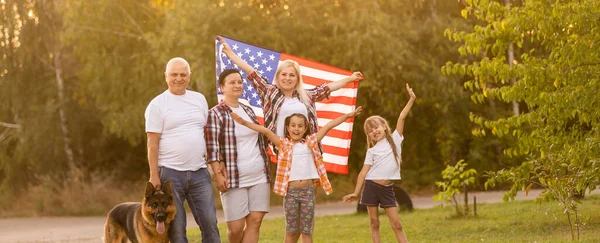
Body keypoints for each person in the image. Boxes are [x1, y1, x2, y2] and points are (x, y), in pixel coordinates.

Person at [231, 107, 363, 243]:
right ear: (287, 128)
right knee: (291, 230)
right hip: (291, 193)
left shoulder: (311, 142)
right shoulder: (283, 144)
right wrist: (244, 123)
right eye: (293, 125)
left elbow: (329, 125)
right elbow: (265, 131)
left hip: (308, 192)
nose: (296, 129)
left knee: (306, 230)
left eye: (300, 126)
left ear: (305, 128)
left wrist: (348, 115)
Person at [218, 36, 363, 138]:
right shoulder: (270, 92)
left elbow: (329, 88)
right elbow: (250, 70)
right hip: (280, 151)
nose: (287, 78)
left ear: (297, 79)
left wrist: (350, 79)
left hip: (305, 150)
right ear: (278, 76)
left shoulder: (306, 96)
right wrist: (230, 54)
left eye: (292, 75)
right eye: (284, 74)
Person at [145, 57, 220, 243]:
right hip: (170, 174)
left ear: (189, 77)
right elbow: (152, 143)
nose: (178, 78)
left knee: (210, 223)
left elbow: (205, 134)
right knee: (177, 230)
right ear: (166, 76)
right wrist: (154, 175)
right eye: (174, 75)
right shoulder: (157, 104)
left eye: (183, 75)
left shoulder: (199, 99)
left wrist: (215, 166)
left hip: (199, 173)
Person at [342, 83, 416, 243]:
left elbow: (401, 117)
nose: (374, 131)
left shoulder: (395, 140)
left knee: (396, 224)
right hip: (371, 187)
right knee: (374, 223)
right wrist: (356, 192)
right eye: (370, 130)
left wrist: (411, 99)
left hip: (387, 189)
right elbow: (363, 172)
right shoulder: (372, 151)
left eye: (376, 127)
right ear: (368, 135)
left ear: (384, 126)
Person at [205, 69, 271, 243]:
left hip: (259, 175)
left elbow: (260, 139)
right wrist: (218, 175)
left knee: (255, 222)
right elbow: (212, 148)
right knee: (235, 228)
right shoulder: (215, 113)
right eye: (232, 82)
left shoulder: (248, 110)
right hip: (233, 178)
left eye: (239, 82)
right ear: (222, 87)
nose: (237, 85)